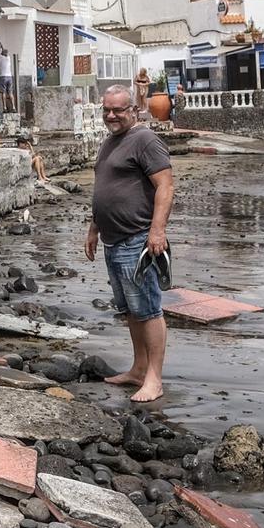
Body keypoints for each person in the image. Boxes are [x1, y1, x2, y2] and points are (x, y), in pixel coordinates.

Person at [84, 84, 174, 404]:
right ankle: (138, 369)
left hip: (138, 240)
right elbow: (104, 187)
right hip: (113, 240)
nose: (111, 115)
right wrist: (94, 228)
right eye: (106, 110)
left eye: (118, 110)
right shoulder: (110, 142)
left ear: (133, 110)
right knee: (131, 310)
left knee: (148, 310)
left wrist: (157, 231)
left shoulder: (145, 140)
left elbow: (165, 186)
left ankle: (155, 379)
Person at [0, 46, 15, 111]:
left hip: (2, 76)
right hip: (9, 77)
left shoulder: (0, 58)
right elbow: (4, 52)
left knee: (3, 92)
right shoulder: (8, 58)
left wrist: (0, 46)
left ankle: (5, 107)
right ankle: (13, 107)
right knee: (10, 92)